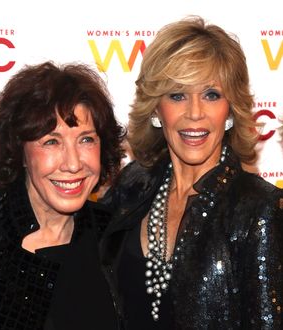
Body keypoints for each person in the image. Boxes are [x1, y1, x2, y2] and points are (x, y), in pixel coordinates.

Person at [100, 16, 283, 329]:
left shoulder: (258, 209)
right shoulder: (132, 187)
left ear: (230, 110)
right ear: (157, 109)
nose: (195, 113)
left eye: (212, 94)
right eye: (177, 95)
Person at [0, 61, 125, 329]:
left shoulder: (118, 237)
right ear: (20, 151)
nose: (73, 163)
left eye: (86, 139)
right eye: (51, 142)